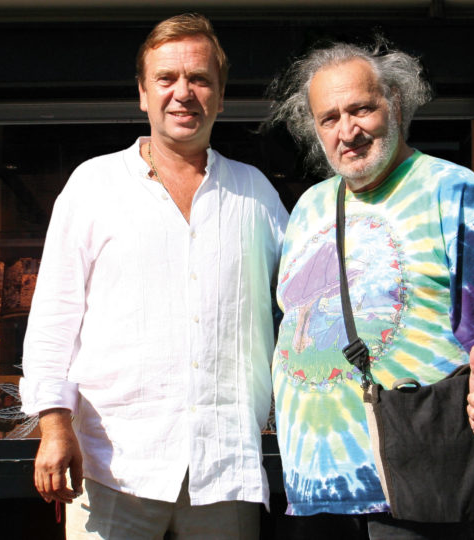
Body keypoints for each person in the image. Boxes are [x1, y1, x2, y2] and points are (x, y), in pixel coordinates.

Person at [19, 13, 288, 539]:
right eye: (166, 79)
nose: (182, 93)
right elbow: (54, 314)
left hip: (224, 467)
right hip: (113, 465)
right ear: (143, 94)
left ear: (221, 96)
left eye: (200, 79)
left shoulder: (255, 194)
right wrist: (54, 427)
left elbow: (305, 302)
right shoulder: (93, 185)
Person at [264, 40, 474, 538]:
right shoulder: (308, 207)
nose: (347, 130)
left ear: (397, 103)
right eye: (329, 118)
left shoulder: (454, 191)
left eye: (362, 108)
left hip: (417, 480)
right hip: (310, 489)